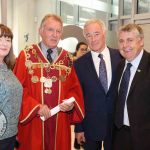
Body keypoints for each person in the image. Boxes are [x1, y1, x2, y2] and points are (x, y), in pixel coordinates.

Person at [13, 14, 85, 150]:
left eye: (58, 31)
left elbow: (74, 89)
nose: (55, 35)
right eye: (50, 30)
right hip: (33, 122)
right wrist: (36, 107)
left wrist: (71, 104)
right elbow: (18, 90)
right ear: (41, 31)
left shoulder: (67, 59)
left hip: (60, 122)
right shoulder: (26, 55)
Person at [74, 19, 122, 150]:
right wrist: (79, 128)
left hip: (116, 125)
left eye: (96, 34)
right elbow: (77, 98)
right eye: (88, 35)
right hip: (90, 126)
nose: (93, 39)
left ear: (104, 33)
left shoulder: (120, 57)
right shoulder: (79, 65)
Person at [113, 23, 150, 150]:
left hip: (144, 139)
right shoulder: (120, 66)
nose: (125, 46)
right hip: (119, 135)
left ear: (141, 41)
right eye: (121, 41)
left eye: (130, 40)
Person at [0, 24, 23, 150]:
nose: (4, 43)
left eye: (8, 39)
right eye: (0, 38)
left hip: (10, 134)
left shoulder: (7, 67)